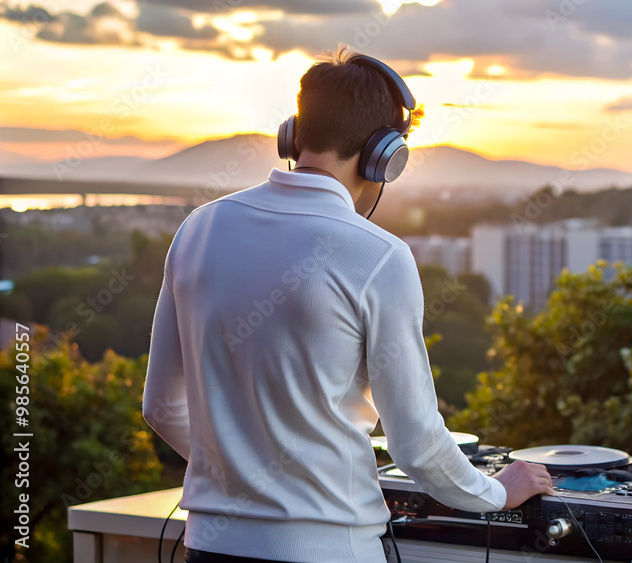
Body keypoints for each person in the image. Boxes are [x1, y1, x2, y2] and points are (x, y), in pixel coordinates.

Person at [142, 47, 555, 563]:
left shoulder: (197, 230)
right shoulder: (379, 257)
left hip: (211, 546)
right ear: (386, 155)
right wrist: (498, 491)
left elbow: (160, 406)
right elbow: (418, 442)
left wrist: (243, 471)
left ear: (294, 134)